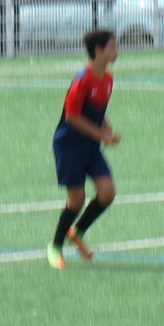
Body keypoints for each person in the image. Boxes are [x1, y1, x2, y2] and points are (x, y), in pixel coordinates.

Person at [47, 30, 121, 270]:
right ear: (98, 51)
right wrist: (102, 136)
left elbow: (97, 111)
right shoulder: (82, 79)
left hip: (90, 145)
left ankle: (76, 232)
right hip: (69, 146)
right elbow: (72, 116)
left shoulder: (107, 80)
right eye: (112, 47)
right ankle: (55, 247)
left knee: (107, 192)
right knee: (76, 201)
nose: (117, 51)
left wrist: (106, 127)